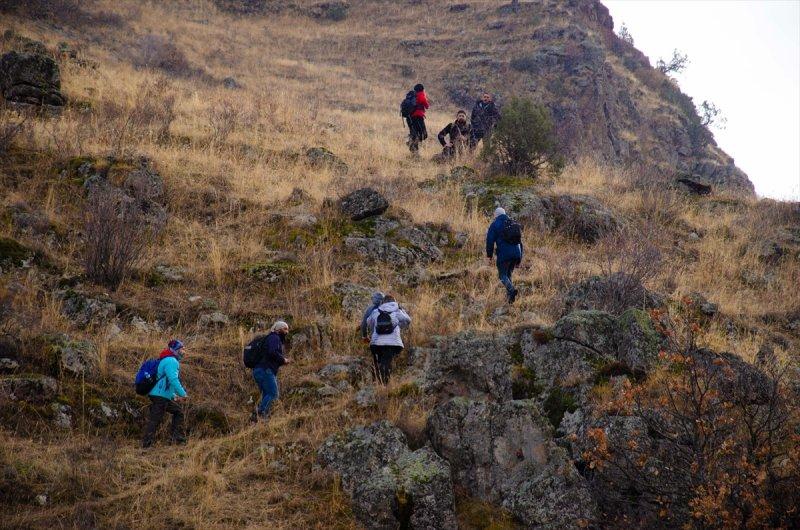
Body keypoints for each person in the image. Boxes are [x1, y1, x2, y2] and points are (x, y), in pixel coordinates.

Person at [142, 339, 188, 448]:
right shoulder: (172, 361)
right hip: (159, 396)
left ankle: (176, 438)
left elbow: (165, 381)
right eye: (182, 348)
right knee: (155, 419)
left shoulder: (167, 360)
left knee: (178, 412)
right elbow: (173, 379)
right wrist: (183, 394)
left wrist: (173, 396)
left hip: (161, 395)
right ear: (176, 350)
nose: (184, 351)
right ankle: (147, 445)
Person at [250, 321, 292, 423]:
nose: (287, 331)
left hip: (259, 370)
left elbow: (270, 355)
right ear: (278, 329)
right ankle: (260, 413)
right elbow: (272, 352)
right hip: (266, 370)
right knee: (273, 393)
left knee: (266, 394)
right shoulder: (274, 337)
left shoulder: (270, 338)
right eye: (285, 329)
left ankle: (259, 417)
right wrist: (283, 360)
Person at [366, 294, 411, 385]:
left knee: (378, 362)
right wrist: (402, 312)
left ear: (383, 301)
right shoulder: (397, 311)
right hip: (393, 343)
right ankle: (385, 384)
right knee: (387, 361)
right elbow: (408, 320)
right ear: (394, 301)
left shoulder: (376, 311)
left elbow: (368, 322)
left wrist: (374, 330)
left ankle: (377, 382)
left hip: (376, 342)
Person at [486, 207, 523, 304]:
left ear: (496, 215)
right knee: (508, 275)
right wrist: (519, 258)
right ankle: (510, 299)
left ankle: (511, 290)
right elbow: (520, 242)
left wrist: (489, 256)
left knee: (502, 275)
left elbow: (490, 241)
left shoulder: (495, 224)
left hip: (504, 254)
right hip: (516, 253)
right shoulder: (513, 223)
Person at [407, 83, 429, 154]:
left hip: (410, 117)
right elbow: (427, 106)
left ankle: (414, 150)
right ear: (422, 89)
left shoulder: (413, 95)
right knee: (424, 134)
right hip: (418, 116)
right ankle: (411, 143)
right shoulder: (421, 95)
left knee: (414, 133)